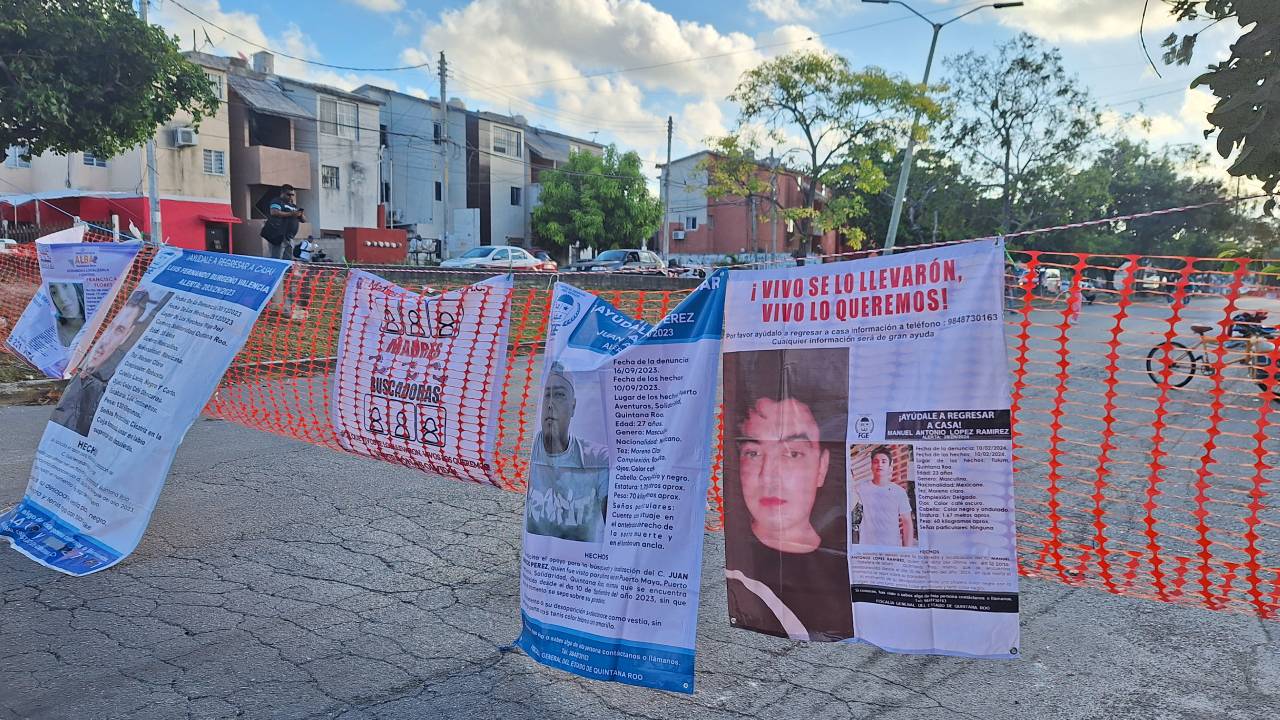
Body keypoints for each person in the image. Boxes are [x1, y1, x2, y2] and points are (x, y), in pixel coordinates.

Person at [724, 351, 853, 642]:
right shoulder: (738, 576)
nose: (770, 476)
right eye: (754, 453)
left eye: (792, 454)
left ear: (821, 468)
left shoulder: (854, 558)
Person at [49, 290, 163, 437]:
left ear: (127, 335)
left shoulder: (120, 379)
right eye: (111, 327)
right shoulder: (81, 377)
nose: (106, 341)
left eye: (119, 330)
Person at [524, 362, 609, 543]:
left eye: (560, 395)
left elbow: (615, 524)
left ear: (573, 406)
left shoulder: (596, 457)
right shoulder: (526, 454)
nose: (550, 404)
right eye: (547, 395)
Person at [853, 447, 916, 547]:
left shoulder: (899, 492)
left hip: (891, 547)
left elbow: (907, 521)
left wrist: (907, 550)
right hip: (867, 547)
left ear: (890, 467)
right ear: (871, 466)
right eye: (876, 461)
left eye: (883, 461)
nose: (879, 465)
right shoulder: (860, 489)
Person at [262, 185, 304, 260]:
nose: (290, 197)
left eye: (292, 195)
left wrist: (300, 214)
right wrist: (291, 214)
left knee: (288, 260)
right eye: (288, 194)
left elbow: (303, 220)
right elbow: (274, 212)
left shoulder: (293, 206)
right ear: (282, 193)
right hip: (279, 236)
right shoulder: (277, 201)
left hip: (290, 237)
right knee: (276, 258)